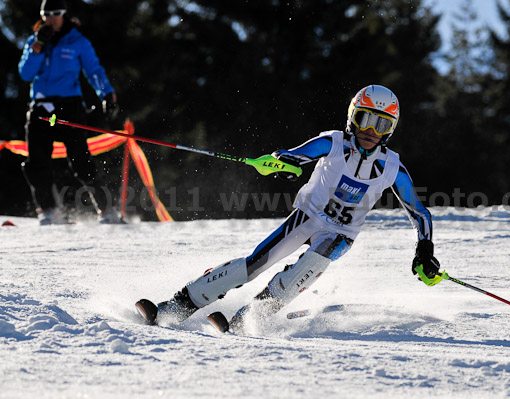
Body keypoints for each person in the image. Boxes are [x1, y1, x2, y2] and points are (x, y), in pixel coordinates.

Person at [136, 85, 441, 331]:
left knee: (306, 268)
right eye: (365, 119)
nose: (371, 131)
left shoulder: (392, 167)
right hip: (306, 218)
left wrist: (424, 249)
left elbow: (419, 212)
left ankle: (248, 319)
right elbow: (295, 155)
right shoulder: (333, 143)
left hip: (340, 233)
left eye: (381, 124)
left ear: (390, 129)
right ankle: (175, 308)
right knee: (254, 264)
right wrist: (278, 162)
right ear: (352, 118)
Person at [18, 0, 122, 225]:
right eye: (46, 14)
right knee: (37, 162)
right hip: (41, 107)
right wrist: (36, 48)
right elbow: (25, 74)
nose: (51, 19)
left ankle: (107, 211)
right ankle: (49, 211)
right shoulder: (34, 40)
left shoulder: (77, 41)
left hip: (69, 106)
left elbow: (93, 69)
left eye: (56, 14)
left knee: (81, 160)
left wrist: (106, 93)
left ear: (64, 14)